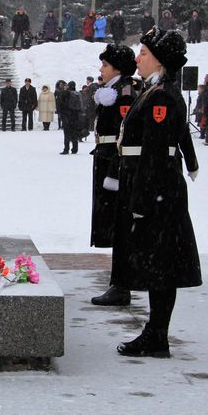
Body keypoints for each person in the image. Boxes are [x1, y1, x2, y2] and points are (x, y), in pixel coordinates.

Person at [111, 27, 200, 358]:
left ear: (160, 60)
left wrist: (142, 200)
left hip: (158, 190)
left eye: (144, 53)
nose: (138, 59)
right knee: (158, 262)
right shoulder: (155, 91)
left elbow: (157, 151)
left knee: (161, 263)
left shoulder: (161, 95)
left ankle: (157, 334)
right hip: (156, 188)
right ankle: (155, 332)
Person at [89, 44, 138, 306]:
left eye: (105, 65)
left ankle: (122, 284)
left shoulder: (125, 91)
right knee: (115, 224)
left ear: (117, 67)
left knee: (121, 226)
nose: (101, 69)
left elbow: (124, 134)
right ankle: (120, 281)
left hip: (114, 162)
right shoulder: (115, 89)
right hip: (107, 157)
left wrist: (114, 169)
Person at [59, 81, 81, 154]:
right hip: (75, 116)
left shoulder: (67, 93)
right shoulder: (78, 94)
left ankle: (66, 149)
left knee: (67, 133)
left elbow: (61, 102)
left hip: (67, 116)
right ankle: (75, 149)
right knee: (74, 133)